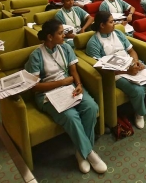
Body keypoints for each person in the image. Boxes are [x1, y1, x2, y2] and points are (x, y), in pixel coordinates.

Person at [25, 19, 107, 174]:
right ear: (50, 37)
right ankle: (89, 153)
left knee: (91, 107)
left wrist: (79, 85)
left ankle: (80, 152)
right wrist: (62, 82)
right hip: (47, 94)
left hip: (69, 88)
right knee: (71, 116)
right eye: (61, 33)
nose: (65, 35)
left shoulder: (66, 48)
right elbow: (34, 87)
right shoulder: (36, 56)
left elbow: (73, 70)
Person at [86, 11, 146, 129]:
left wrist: (135, 62)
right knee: (138, 90)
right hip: (115, 74)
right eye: (111, 22)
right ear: (102, 25)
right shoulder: (94, 43)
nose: (114, 24)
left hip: (130, 65)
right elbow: (101, 68)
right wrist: (127, 71)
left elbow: (131, 51)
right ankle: (139, 113)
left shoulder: (118, 33)